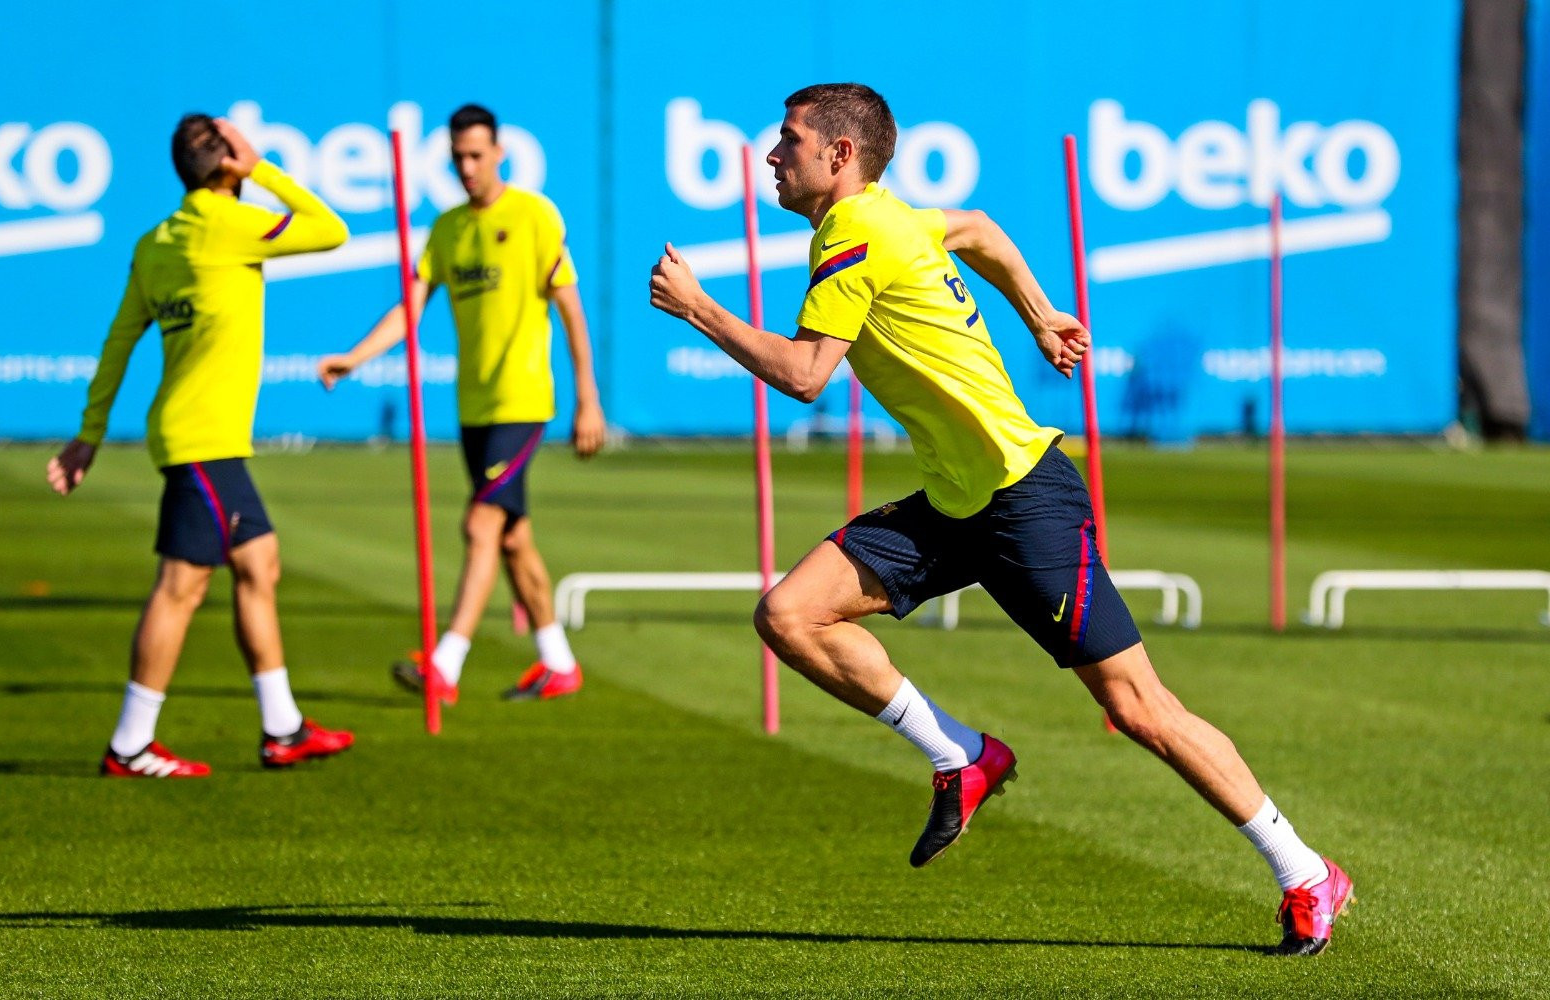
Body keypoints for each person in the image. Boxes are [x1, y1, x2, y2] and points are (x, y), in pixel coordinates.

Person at [649, 83, 1353, 957]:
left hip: (1026, 502)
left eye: (788, 140)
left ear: (840, 155)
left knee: (1139, 708)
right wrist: (1039, 313)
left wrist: (701, 310)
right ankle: (962, 755)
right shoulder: (891, 216)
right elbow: (977, 226)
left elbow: (804, 376)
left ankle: (1304, 871)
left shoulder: (856, 231)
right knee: (790, 614)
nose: (770, 155)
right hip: (956, 500)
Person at [47, 115, 355, 777]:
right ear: (226, 164)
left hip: (189, 433)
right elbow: (332, 230)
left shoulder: (156, 240)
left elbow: (118, 342)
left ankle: (283, 727)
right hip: (206, 439)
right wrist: (263, 169)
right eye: (236, 152)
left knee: (259, 563)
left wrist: (88, 435)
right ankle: (130, 743)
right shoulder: (228, 225)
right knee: (180, 587)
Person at [318, 103, 605, 703]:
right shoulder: (446, 228)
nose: (467, 167)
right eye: (458, 158)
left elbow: (571, 310)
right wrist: (355, 357)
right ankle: (559, 663)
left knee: (479, 525)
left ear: (499, 153)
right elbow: (411, 307)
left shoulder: (533, 215)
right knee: (511, 538)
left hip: (523, 400)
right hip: (474, 409)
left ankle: (445, 663)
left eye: (477, 155)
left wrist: (588, 400)